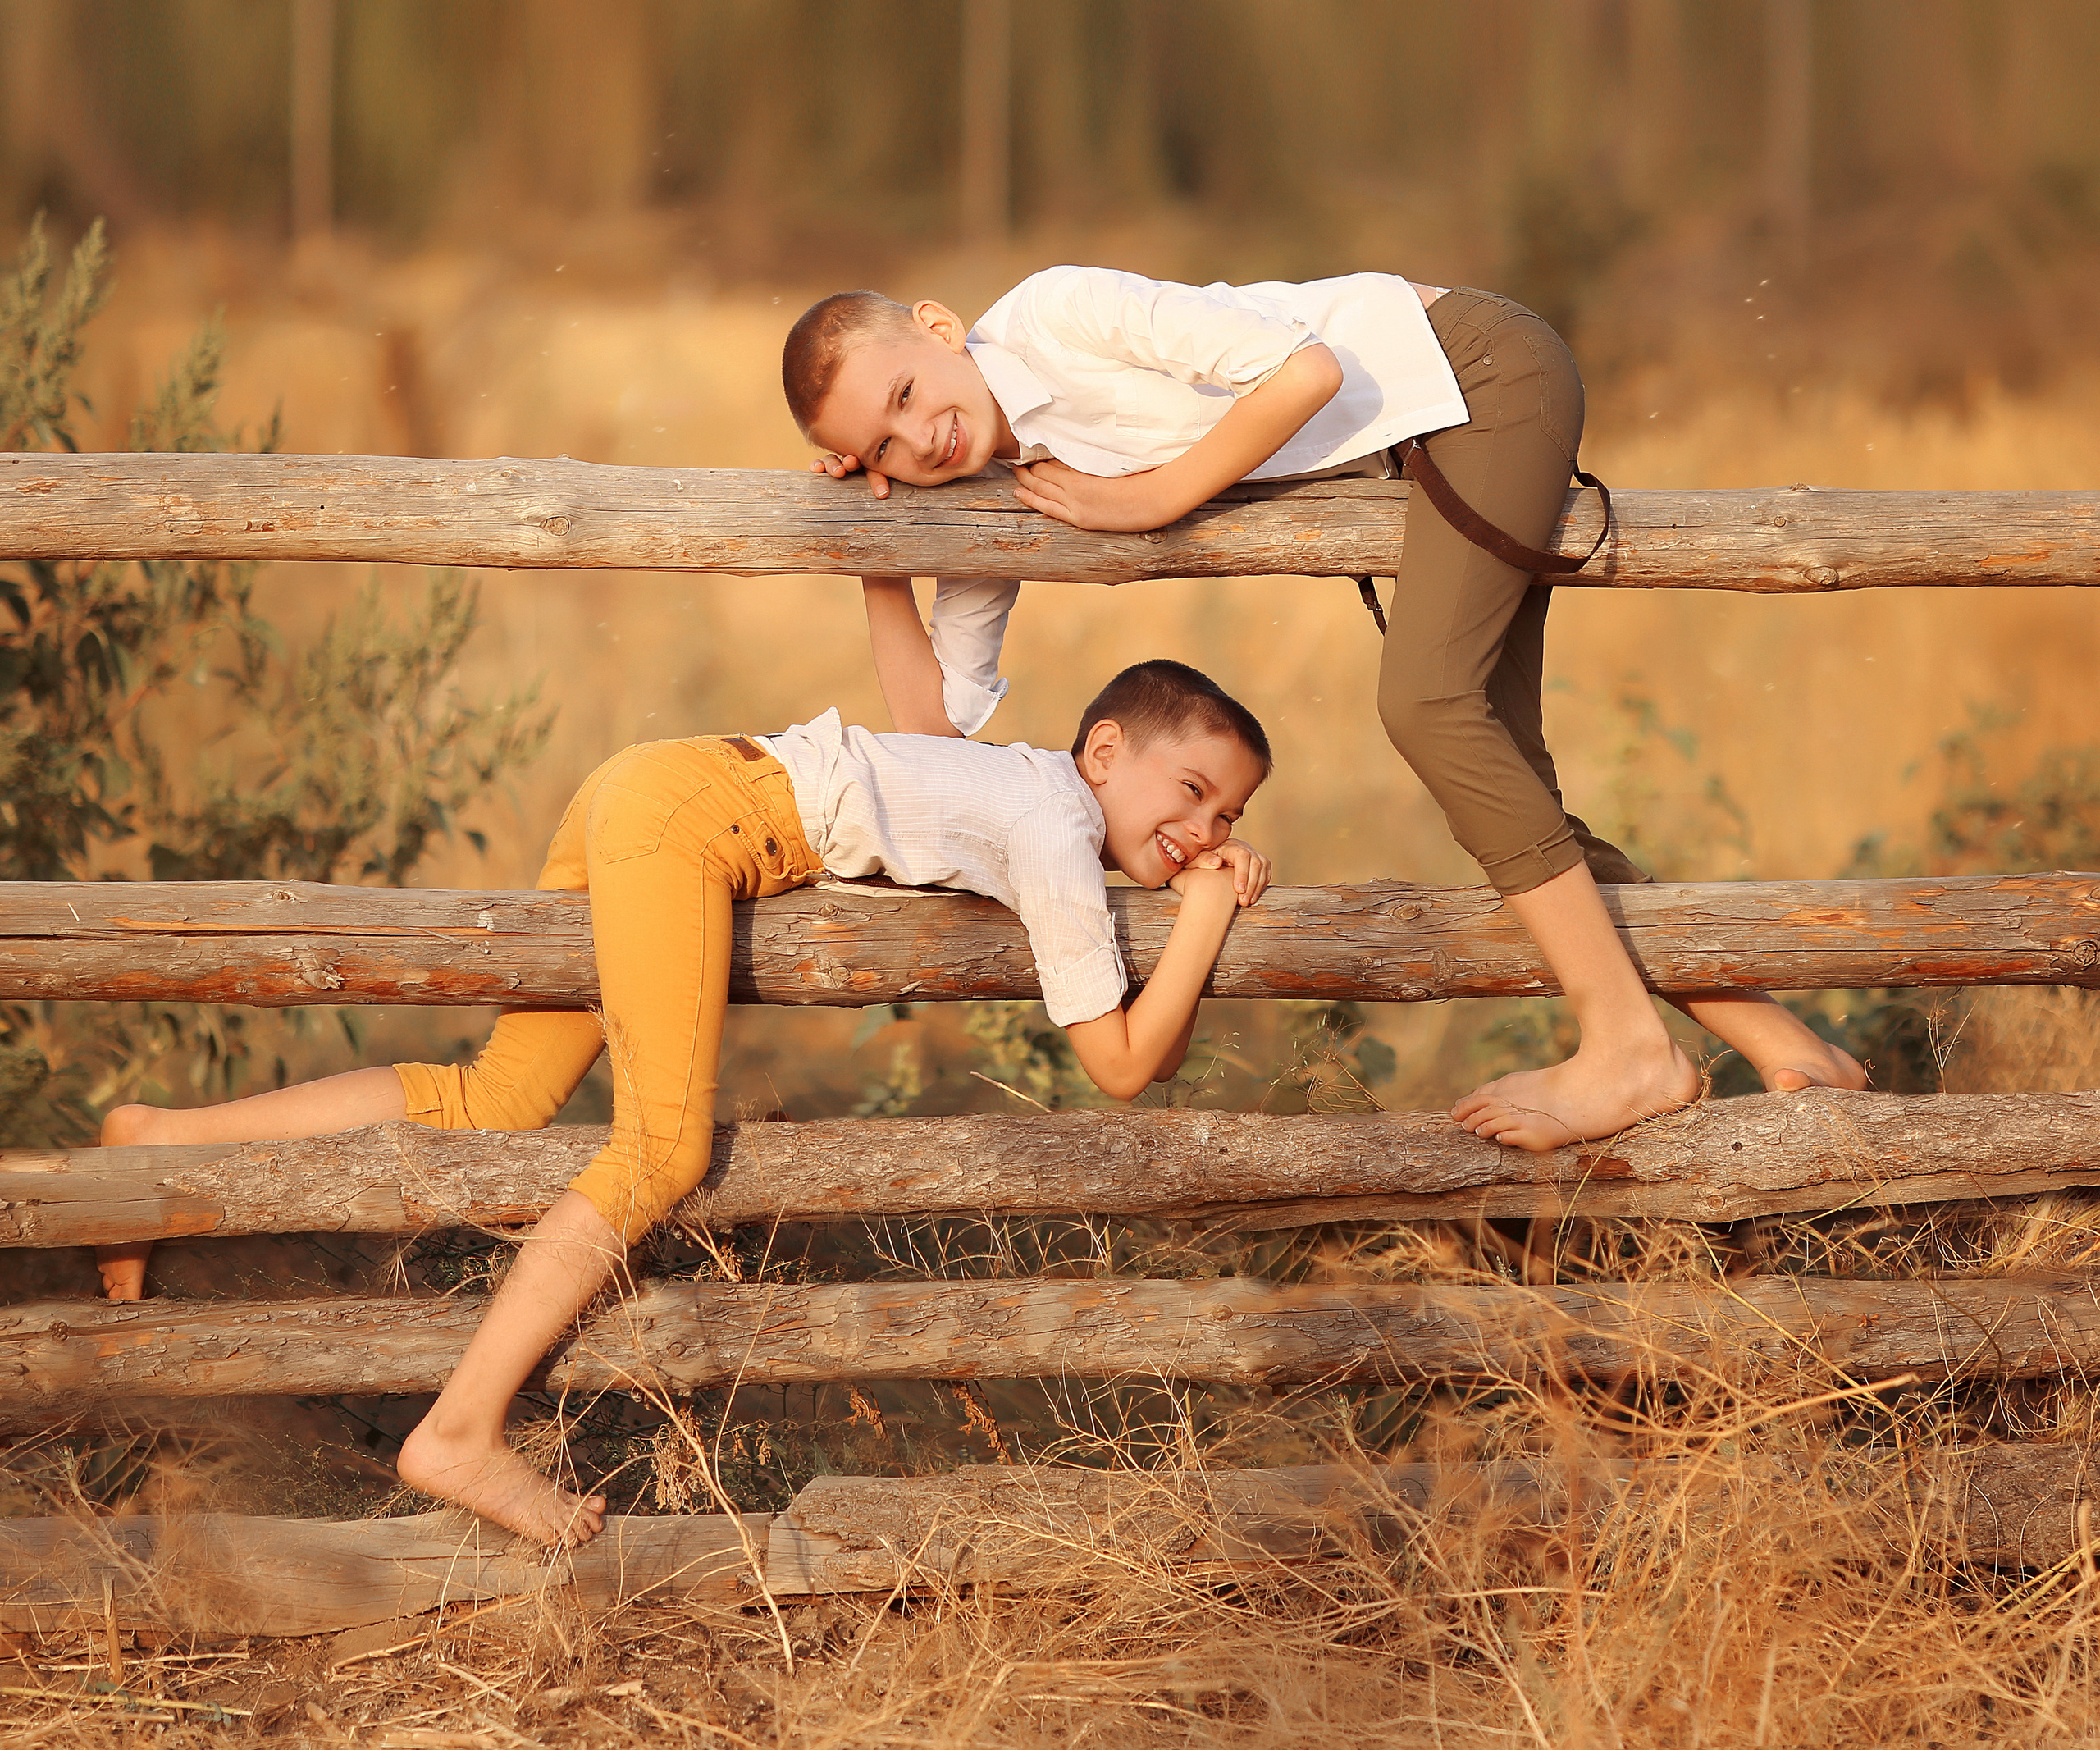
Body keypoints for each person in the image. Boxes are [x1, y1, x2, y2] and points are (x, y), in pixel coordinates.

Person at [94, 625, 1276, 1550]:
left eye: (1228, 815)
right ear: (1108, 750)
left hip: (659, 784)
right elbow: (1124, 1062)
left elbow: (1128, 1034)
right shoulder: (1055, 820)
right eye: (1191, 792)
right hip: (699, 820)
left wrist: (1194, 890)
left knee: (499, 1094)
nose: (1203, 827)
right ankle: (457, 1429)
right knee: (660, 1149)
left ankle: (162, 1142)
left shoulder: (1028, 787)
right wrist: (1209, 913)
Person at [784, 267, 1865, 1151]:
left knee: (1431, 706)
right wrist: (877, 550)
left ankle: (1629, 1045)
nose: (915, 439)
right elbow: (933, 740)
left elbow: (1306, 371)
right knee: (1508, 794)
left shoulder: (1058, 312)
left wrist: (1150, 500)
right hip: (1431, 439)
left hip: (1481, 372)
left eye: (907, 394)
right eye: (879, 446)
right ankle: (1788, 1044)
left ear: (939, 328)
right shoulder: (997, 479)